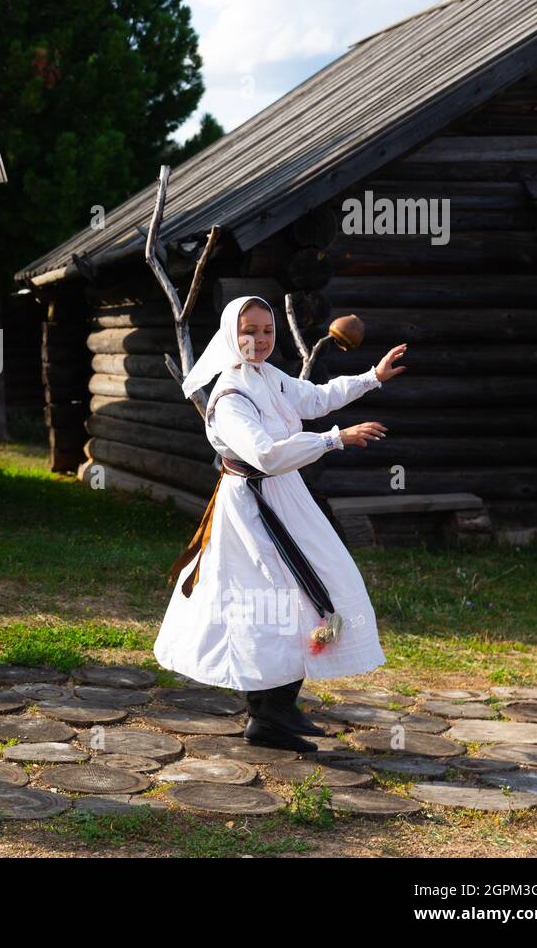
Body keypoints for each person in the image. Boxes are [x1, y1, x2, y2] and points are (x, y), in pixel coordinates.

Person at [153, 294, 407, 752]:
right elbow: (265, 454)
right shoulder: (230, 396)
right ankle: (267, 715)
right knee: (267, 604)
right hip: (251, 509)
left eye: (266, 331)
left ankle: (279, 709)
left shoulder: (267, 377)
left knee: (316, 589)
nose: (259, 339)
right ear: (232, 334)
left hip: (285, 498)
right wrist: (337, 439)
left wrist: (372, 377)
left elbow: (315, 397)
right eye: (249, 331)